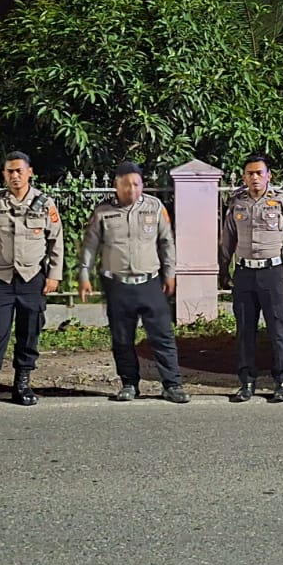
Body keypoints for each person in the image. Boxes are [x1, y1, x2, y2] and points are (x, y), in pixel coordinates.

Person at [78, 161, 188, 404]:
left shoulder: (155, 207)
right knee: (122, 338)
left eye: (137, 184)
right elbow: (90, 246)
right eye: (126, 185)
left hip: (150, 282)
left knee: (162, 336)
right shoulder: (103, 211)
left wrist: (170, 273)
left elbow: (166, 242)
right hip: (118, 285)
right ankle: (129, 384)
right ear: (116, 185)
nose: (132, 189)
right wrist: (84, 275)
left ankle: (172, 385)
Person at [0, 150, 63, 410]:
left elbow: (56, 241)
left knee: (29, 332)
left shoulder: (45, 203)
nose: (15, 176)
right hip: (1, 278)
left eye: (19, 170)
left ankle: (22, 384)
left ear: (29, 172)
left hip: (32, 278)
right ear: (4, 174)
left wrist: (54, 275)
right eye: (10, 171)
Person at [218, 154, 283, 403]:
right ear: (244, 177)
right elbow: (228, 237)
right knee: (245, 330)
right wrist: (223, 269)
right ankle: (246, 382)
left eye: (259, 173)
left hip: (272, 273)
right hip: (244, 273)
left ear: (269, 176)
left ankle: (282, 382)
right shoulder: (237, 201)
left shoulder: (282, 201)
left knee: (278, 329)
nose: (254, 178)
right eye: (250, 173)